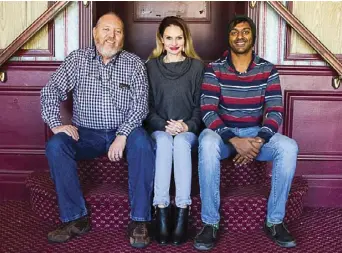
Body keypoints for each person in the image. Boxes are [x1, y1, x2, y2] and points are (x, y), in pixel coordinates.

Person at [40, 12, 155, 249]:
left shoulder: (133, 63)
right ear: (94, 32)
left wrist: (122, 135)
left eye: (118, 31)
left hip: (124, 131)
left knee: (143, 142)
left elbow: (140, 105)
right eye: (106, 30)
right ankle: (75, 218)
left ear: (123, 37)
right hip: (86, 133)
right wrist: (56, 124)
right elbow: (50, 92)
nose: (111, 36)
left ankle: (140, 220)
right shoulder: (77, 60)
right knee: (56, 145)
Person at [193, 15, 298, 251]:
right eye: (234, 32)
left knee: (289, 147)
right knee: (207, 143)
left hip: (253, 134)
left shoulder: (268, 70)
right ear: (228, 38)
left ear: (253, 36)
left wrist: (258, 141)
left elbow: (275, 111)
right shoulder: (214, 69)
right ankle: (210, 223)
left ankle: (275, 221)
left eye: (245, 31)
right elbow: (208, 110)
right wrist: (233, 139)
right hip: (222, 136)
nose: (240, 36)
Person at [145, 16, 204, 245]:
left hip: (187, 129)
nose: (174, 42)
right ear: (161, 39)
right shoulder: (151, 66)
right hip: (159, 129)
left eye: (179, 37)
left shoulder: (197, 67)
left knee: (180, 142)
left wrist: (186, 126)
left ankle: (182, 209)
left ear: (185, 39)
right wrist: (164, 125)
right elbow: (146, 107)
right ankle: (161, 208)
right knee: (163, 142)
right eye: (169, 37)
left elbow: (201, 106)